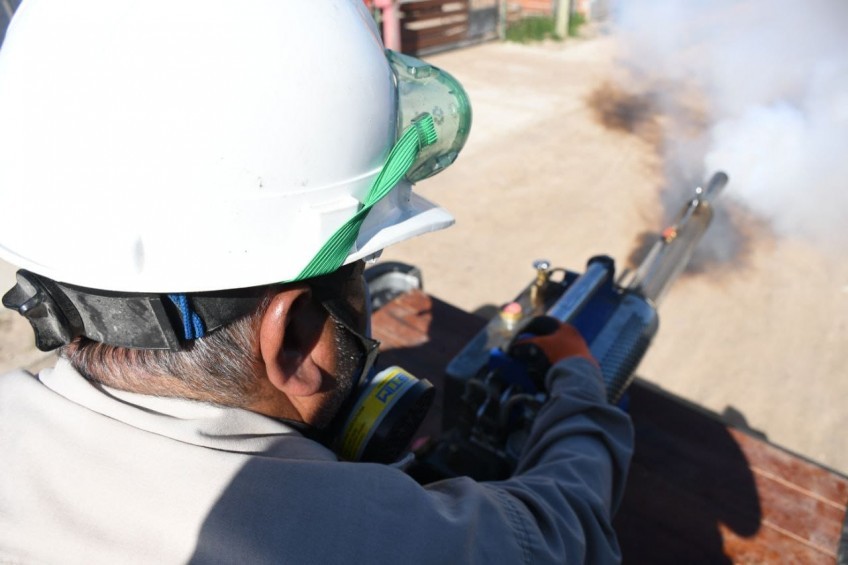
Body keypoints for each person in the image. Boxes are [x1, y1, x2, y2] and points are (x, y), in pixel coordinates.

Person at [0, 1, 633, 562]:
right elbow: (562, 530)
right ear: (297, 338)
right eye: (362, 271)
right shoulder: (377, 540)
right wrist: (579, 383)